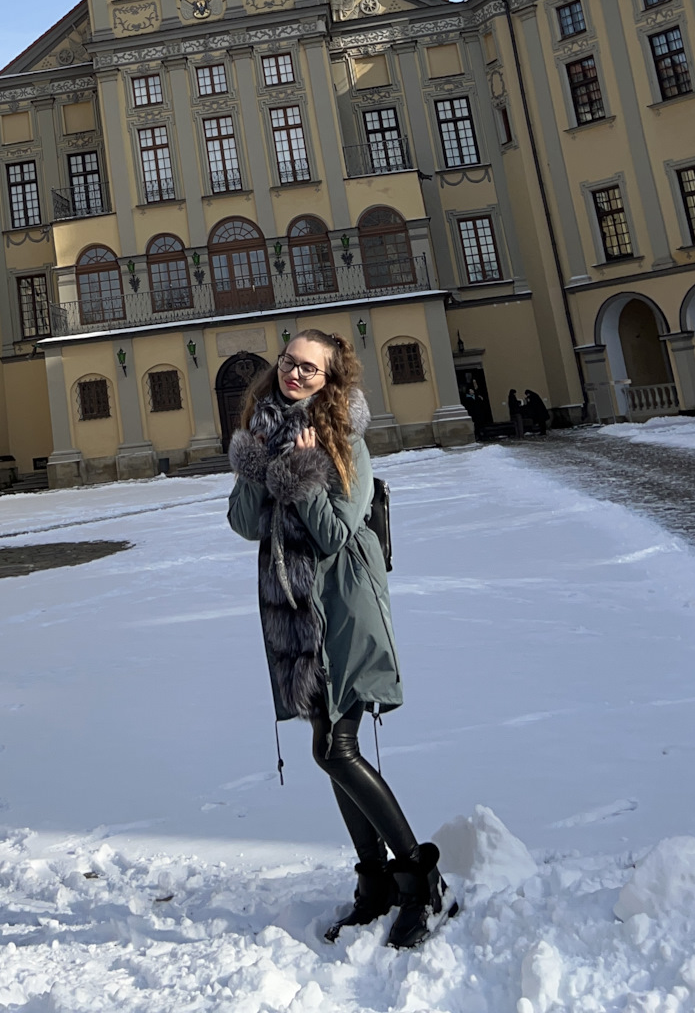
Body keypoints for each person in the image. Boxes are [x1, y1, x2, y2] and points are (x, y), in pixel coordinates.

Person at [227, 328, 455, 949]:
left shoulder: (344, 438)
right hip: (295, 611)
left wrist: (301, 473)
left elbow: (334, 535)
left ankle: (420, 879)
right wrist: (255, 463)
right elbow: (245, 523)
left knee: (337, 746)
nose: (293, 374)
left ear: (331, 377)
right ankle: (376, 884)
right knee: (326, 744)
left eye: (308, 367)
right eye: (287, 362)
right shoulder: (267, 430)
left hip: (346, 607)